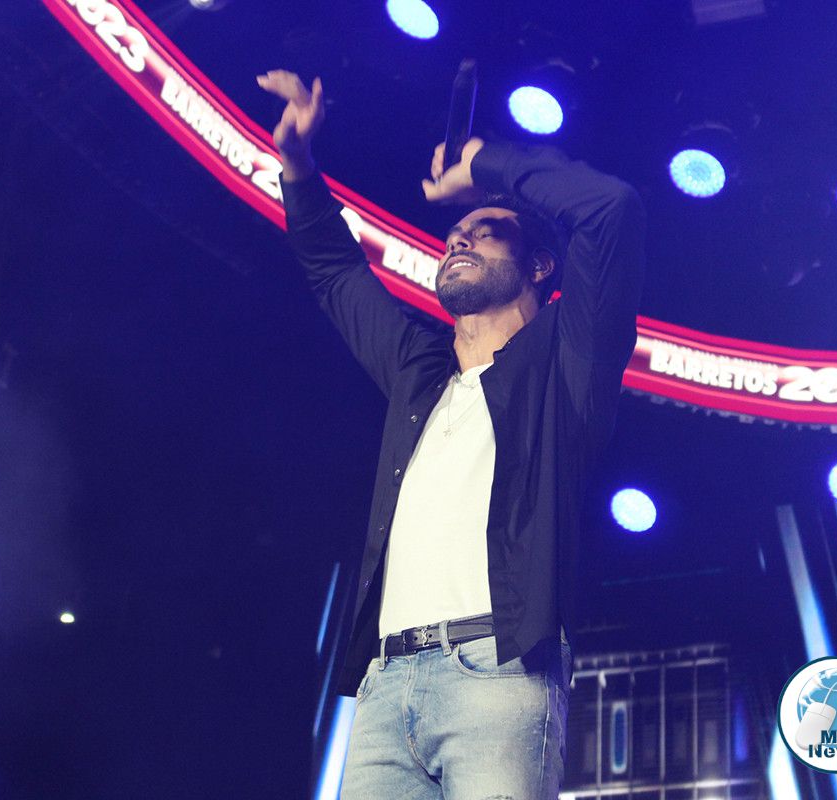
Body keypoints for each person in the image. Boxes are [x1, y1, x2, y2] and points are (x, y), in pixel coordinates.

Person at [258, 69, 645, 799]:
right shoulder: (419, 372)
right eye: (455, 235)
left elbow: (611, 208)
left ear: (540, 265)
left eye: (485, 231)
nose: (458, 239)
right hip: (384, 689)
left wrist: (484, 168)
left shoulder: (567, 362)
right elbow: (336, 272)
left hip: (497, 676)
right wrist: (299, 164)